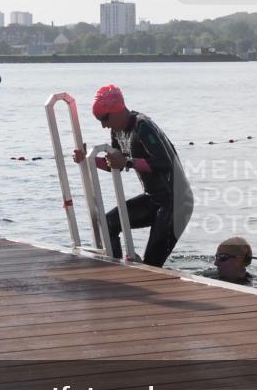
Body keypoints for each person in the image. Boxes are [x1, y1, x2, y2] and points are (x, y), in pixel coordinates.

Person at [72, 84, 192, 267]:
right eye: (100, 121)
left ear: (117, 110)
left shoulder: (143, 126)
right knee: (108, 223)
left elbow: (164, 163)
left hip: (176, 202)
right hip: (154, 199)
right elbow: (116, 165)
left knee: (152, 265)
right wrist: (89, 159)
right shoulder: (117, 130)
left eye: (105, 119)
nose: (104, 125)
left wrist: (128, 162)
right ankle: (116, 269)